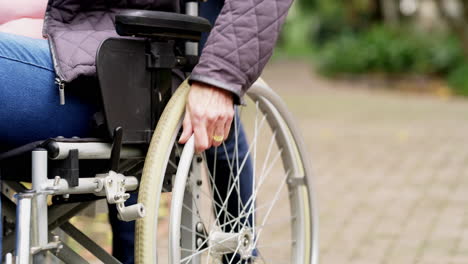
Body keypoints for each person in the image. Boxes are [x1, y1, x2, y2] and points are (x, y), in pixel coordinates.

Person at [0, 0, 293, 262]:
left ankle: (240, 251)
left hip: (132, 61)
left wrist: (221, 77)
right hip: (77, 38)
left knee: (215, 123)